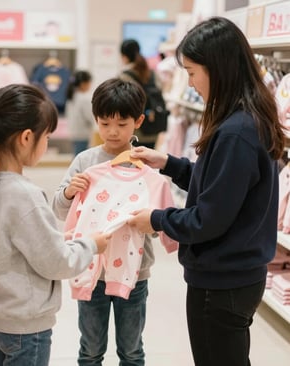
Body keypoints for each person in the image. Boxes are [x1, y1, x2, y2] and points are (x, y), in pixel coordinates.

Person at [127, 16, 286, 366]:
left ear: (218, 68)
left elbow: (209, 218)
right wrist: (169, 163)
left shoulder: (236, 132)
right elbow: (221, 184)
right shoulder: (246, 119)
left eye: (193, 71)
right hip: (233, 278)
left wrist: (154, 219)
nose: (191, 82)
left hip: (222, 283)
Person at [0, 83, 111, 366]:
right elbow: (57, 263)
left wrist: (62, 239)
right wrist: (91, 245)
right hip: (26, 325)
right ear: (27, 138)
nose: (48, 144)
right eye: (47, 137)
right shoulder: (25, 195)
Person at [53, 78, 155, 366]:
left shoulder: (146, 163)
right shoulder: (85, 162)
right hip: (91, 271)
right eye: (105, 123)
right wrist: (70, 192)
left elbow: (160, 225)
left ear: (138, 121)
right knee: (90, 350)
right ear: (95, 119)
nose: (112, 132)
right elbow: (59, 209)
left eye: (121, 124)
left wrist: (151, 222)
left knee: (132, 350)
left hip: (135, 273)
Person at [119, 39, 165, 149]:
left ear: (124, 56)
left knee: (134, 161)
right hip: (154, 126)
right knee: (149, 160)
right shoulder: (152, 73)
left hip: (136, 129)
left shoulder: (124, 76)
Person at [65, 70, 95, 155]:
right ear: (83, 84)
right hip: (82, 134)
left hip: (73, 132)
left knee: (77, 156)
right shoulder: (84, 98)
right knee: (81, 159)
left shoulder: (71, 96)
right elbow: (90, 117)